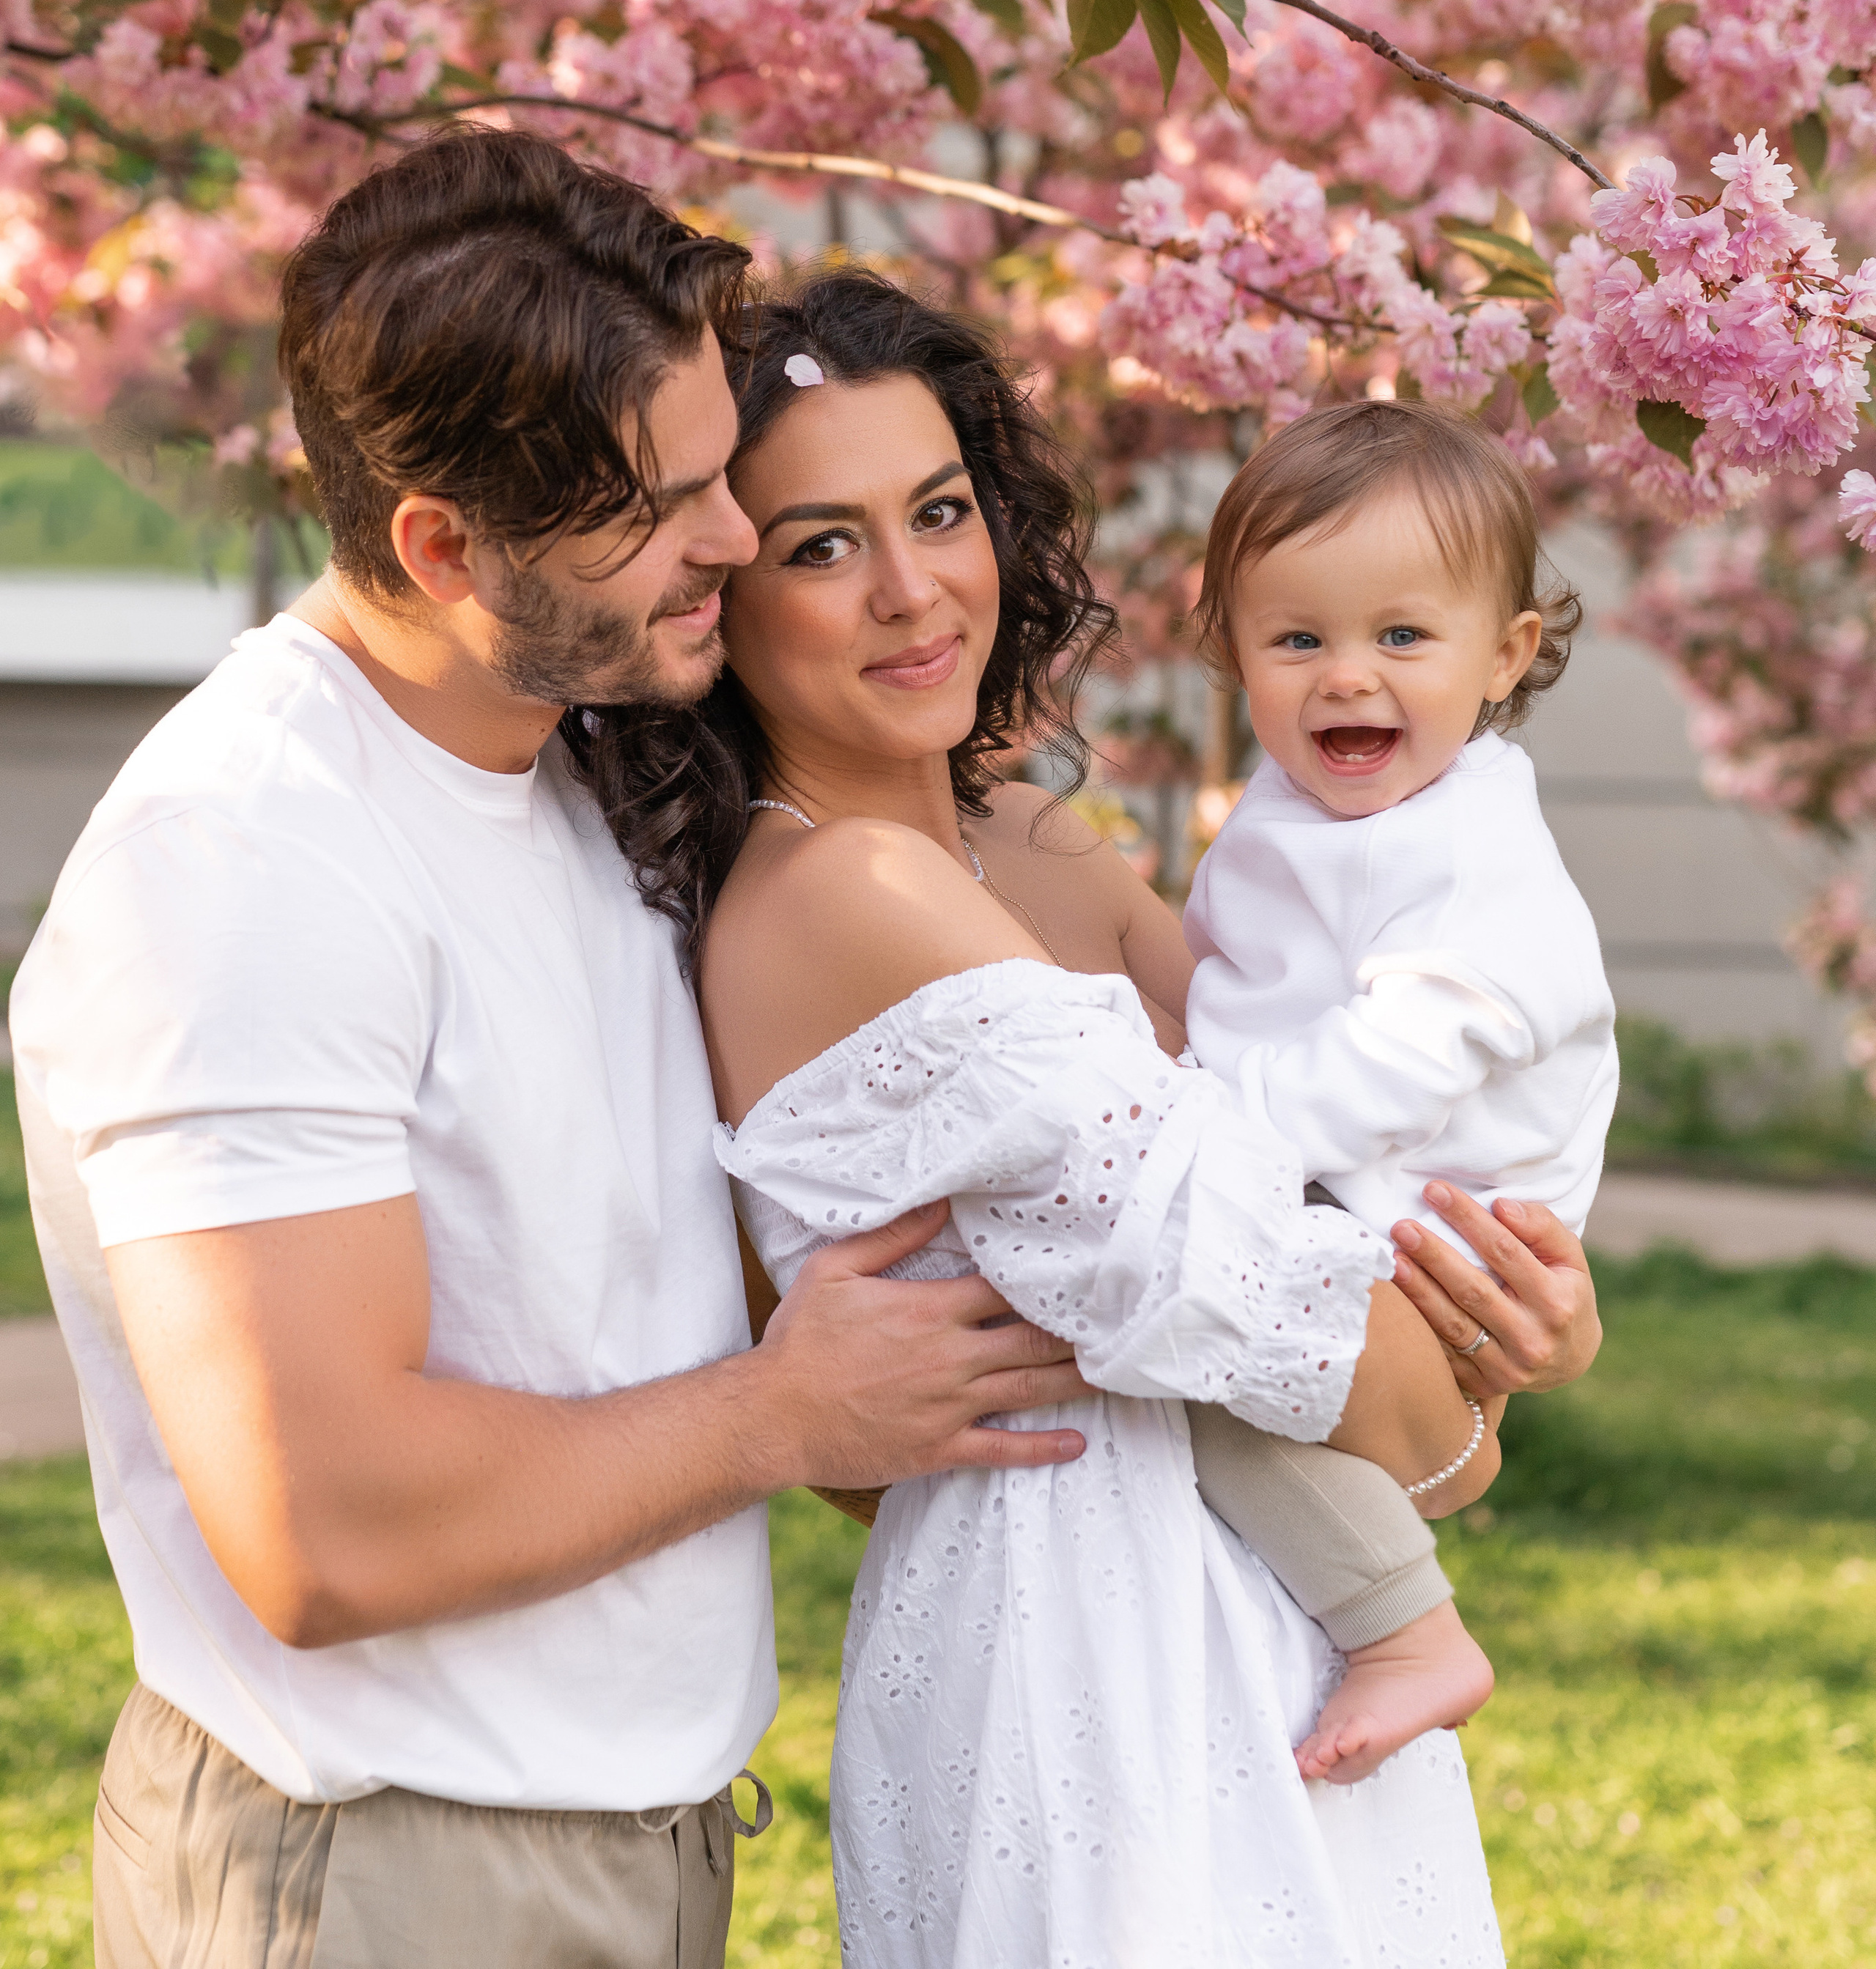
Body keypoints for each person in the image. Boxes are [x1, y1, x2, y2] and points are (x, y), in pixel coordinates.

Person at [9, 131, 1094, 1969]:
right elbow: (321, 1524)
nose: (734, 539)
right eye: (665, 504)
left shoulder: (593, 765)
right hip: (388, 1882)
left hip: (635, 1851)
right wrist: (777, 1409)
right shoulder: (248, 864)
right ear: (442, 546)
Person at [574, 270, 1606, 1969]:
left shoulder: (1033, 847)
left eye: (938, 511)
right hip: (1086, 1644)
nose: (913, 591)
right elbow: (1292, 1315)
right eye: (820, 544)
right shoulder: (846, 892)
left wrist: (1512, 1323)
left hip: (1284, 1611)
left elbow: (1327, 1219)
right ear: (720, 588)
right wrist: (1461, 1399)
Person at [1178, 400, 1620, 1787]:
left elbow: (1404, 1057)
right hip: (1335, 1176)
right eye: (1296, 639)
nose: (1345, 677)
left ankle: (1407, 1626)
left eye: (1402, 638)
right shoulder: (1306, 813)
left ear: (1507, 657)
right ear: (1234, 653)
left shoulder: (1474, 846)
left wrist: (1205, 1132)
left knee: (1187, 1367)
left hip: (1439, 1216)